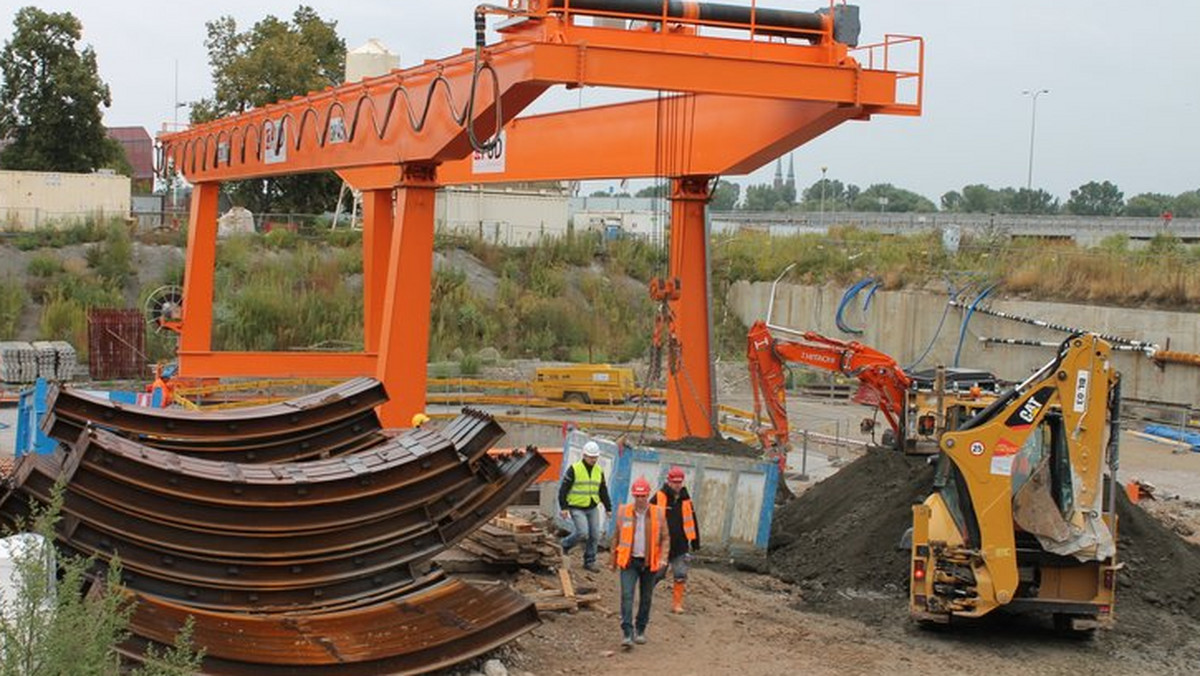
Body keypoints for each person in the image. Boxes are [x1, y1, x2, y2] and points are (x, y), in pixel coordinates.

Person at [611, 476, 670, 648]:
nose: (640, 499)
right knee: (627, 596)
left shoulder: (658, 513)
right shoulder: (624, 512)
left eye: (643, 496)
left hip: (649, 562)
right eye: (637, 496)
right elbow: (616, 537)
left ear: (648, 495)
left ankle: (641, 629)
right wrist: (612, 560)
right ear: (633, 496)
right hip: (629, 561)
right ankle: (627, 633)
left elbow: (665, 538)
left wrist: (663, 558)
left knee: (646, 598)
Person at [651, 466, 700, 613]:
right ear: (668, 481)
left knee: (680, 574)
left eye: (679, 482)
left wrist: (696, 540)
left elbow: (692, 520)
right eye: (674, 482)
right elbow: (648, 517)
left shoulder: (686, 500)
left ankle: (677, 605)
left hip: (681, 545)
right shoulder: (659, 497)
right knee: (658, 574)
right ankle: (645, 596)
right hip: (662, 545)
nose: (677, 485)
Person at [558, 440, 612, 572]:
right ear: (584, 456)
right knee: (582, 533)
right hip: (576, 506)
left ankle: (590, 561)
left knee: (595, 535)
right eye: (591, 457)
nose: (594, 460)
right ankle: (564, 544)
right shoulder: (574, 469)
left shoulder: (599, 471)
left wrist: (608, 507)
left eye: (595, 457)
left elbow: (602, 490)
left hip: (592, 506)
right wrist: (564, 507)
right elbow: (563, 489)